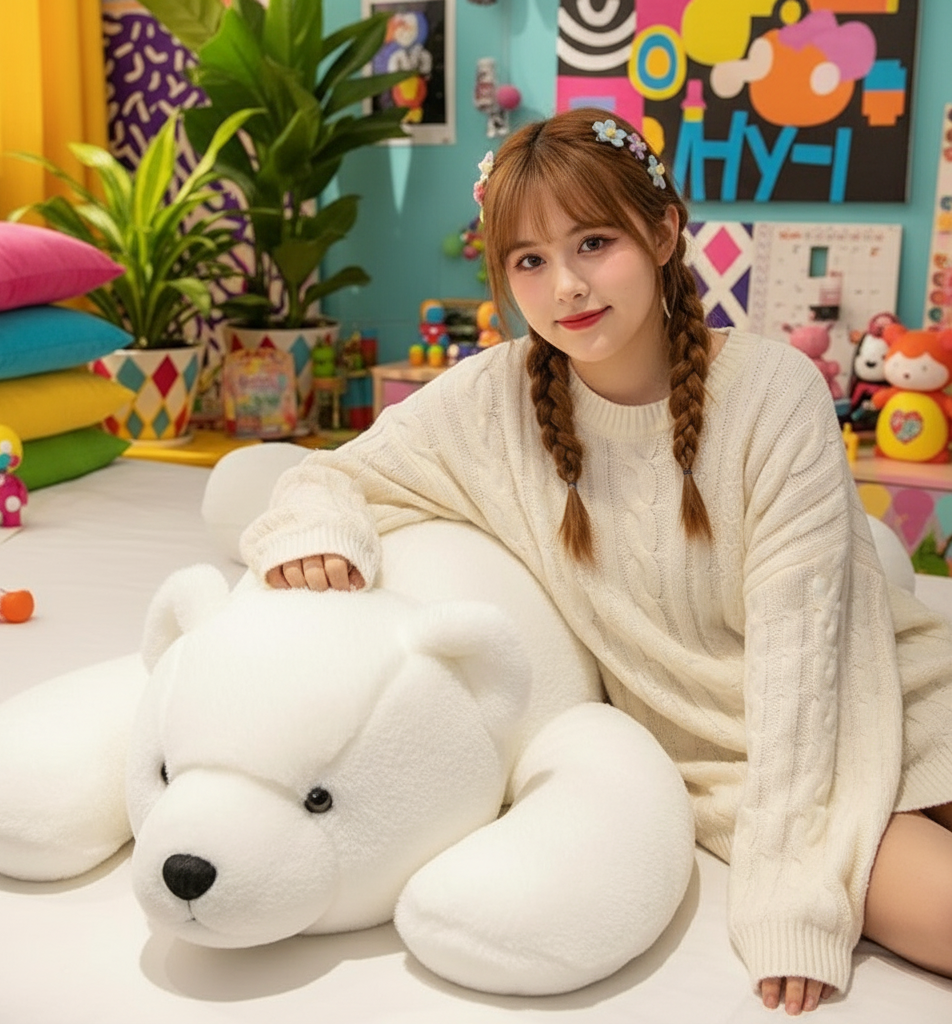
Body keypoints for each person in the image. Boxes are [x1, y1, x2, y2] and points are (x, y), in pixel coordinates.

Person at [240, 108, 952, 1014]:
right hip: (730, 761)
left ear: (661, 232)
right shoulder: (492, 402)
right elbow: (327, 479)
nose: (566, 286)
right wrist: (316, 536)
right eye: (529, 261)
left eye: (594, 241)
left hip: (882, 687)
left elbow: (804, 655)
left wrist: (787, 894)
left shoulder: (773, 394)